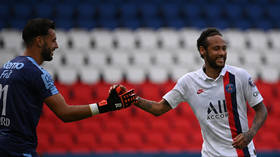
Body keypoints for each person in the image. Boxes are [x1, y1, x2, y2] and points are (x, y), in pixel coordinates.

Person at [0, 18, 136, 157]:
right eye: (53, 40)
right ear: (39, 41)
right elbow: (65, 113)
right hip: (18, 150)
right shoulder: (36, 73)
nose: (57, 45)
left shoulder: (5, 68)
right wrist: (107, 105)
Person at [133, 28, 267, 157]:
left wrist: (250, 133)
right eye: (216, 49)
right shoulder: (189, 82)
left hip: (241, 153)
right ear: (202, 51)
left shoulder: (240, 76)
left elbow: (261, 110)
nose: (222, 53)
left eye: (224, 48)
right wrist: (134, 99)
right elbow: (159, 108)